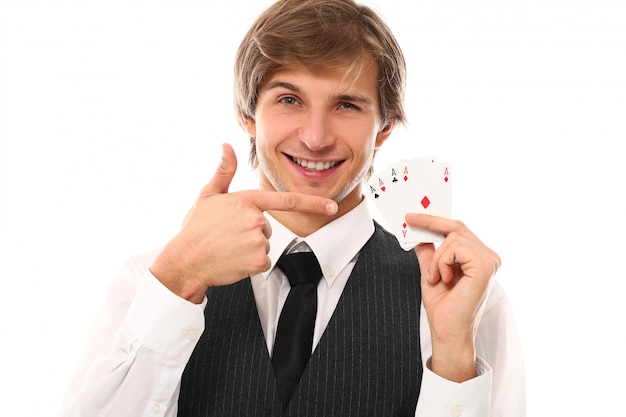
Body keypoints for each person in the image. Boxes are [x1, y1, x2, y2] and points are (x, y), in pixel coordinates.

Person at [57, 0, 525, 415]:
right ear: (248, 115)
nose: (316, 137)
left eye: (346, 105)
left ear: (384, 129)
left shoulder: (464, 299)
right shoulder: (149, 282)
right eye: (288, 99)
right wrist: (177, 281)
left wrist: (453, 355)